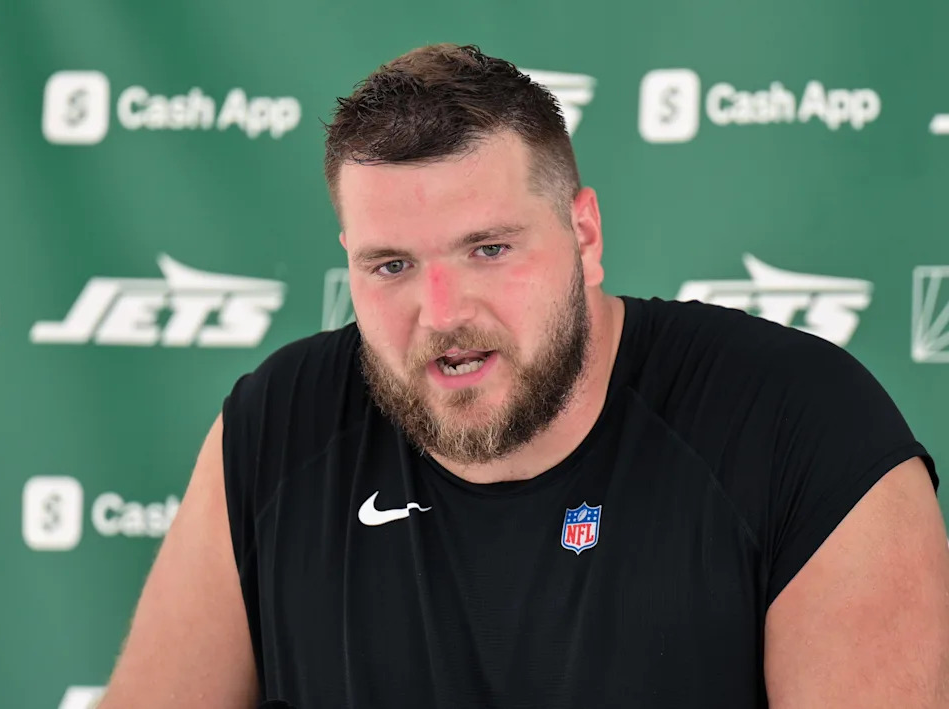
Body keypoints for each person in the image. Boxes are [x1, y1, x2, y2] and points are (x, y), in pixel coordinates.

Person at [98, 44, 949, 708]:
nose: (440, 312)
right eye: (390, 265)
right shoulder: (274, 427)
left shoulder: (803, 424)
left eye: (489, 249)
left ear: (584, 235)